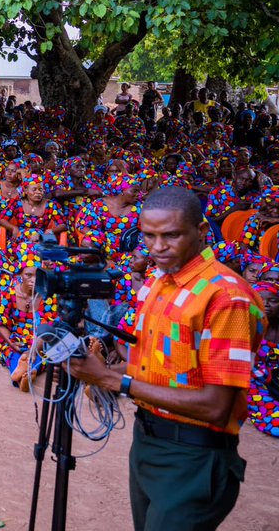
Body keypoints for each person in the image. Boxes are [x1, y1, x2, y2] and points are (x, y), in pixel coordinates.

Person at [70, 187, 265, 531]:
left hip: (193, 457)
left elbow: (216, 405)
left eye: (171, 235)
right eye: (149, 235)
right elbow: (154, 366)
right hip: (148, 443)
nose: (158, 247)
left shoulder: (227, 297)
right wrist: (91, 368)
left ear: (203, 232)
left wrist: (114, 380)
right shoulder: (159, 283)